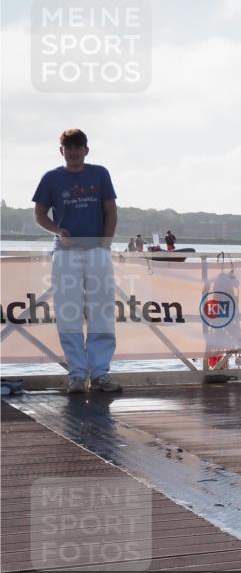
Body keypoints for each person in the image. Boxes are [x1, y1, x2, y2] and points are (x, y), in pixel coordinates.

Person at [32, 128, 123, 394]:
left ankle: (100, 374)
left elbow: (111, 210)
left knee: (102, 312)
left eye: (78, 147)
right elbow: (39, 214)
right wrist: (57, 230)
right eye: (68, 147)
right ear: (62, 151)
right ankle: (76, 375)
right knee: (68, 312)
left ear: (86, 149)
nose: (73, 152)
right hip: (66, 253)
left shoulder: (100, 173)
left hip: (97, 251)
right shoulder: (51, 178)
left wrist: (105, 243)